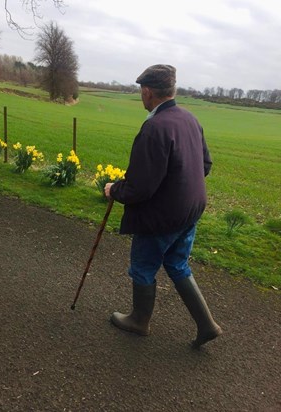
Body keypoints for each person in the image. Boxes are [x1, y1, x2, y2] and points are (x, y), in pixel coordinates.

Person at [104, 64, 222, 349]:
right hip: (190, 210)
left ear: (147, 92)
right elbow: (204, 165)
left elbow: (140, 188)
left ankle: (139, 321)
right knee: (177, 263)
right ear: (172, 90)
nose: (141, 98)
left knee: (143, 267)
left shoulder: (154, 127)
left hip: (162, 217)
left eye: (140, 93)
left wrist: (113, 189)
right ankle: (207, 325)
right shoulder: (190, 119)